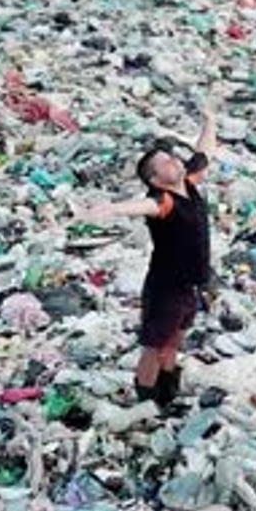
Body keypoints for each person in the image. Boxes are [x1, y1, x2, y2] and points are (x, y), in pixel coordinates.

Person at [71, 107, 217, 406]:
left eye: (172, 156)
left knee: (175, 341)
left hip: (191, 285)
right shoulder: (163, 200)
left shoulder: (188, 183)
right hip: (166, 288)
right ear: (154, 178)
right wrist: (105, 210)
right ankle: (146, 403)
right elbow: (140, 206)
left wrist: (209, 121)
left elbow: (204, 154)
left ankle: (167, 397)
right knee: (154, 346)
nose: (174, 159)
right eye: (164, 161)